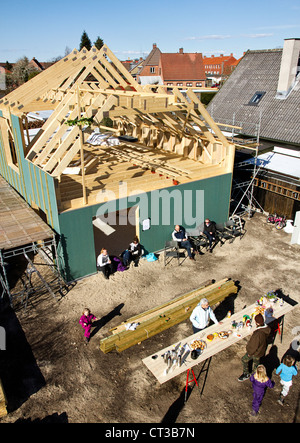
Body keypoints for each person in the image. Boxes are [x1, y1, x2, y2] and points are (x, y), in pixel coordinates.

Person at [238, 313, 271, 382]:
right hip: (261, 350)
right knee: (256, 363)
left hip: (255, 352)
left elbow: (253, 346)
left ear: (257, 323)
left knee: (244, 360)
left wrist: (249, 353)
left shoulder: (258, 334)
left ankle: (246, 373)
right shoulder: (266, 329)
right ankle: (256, 374)